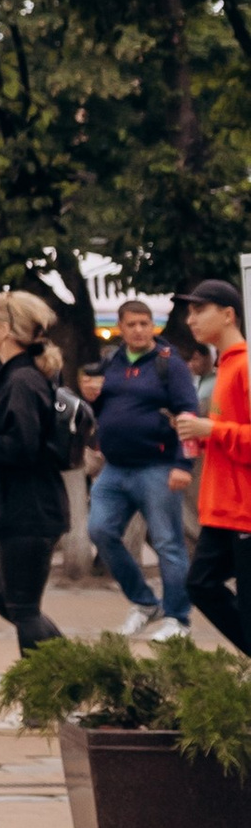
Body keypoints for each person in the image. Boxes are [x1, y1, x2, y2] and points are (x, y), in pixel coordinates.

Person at [0, 291, 73, 713]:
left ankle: (45, 700)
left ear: (7, 330)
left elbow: (25, 449)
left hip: (30, 509)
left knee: (23, 606)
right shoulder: (17, 375)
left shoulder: (24, 379)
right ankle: (70, 672)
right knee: (0, 597)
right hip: (17, 509)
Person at [85, 299, 194, 643]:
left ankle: (178, 619)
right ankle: (145, 603)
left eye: (145, 324)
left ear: (153, 327)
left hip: (157, 467)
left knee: (168, 544)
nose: (139, 330)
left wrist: (183, 464)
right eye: (132, 324)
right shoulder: (112, 361)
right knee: (100, 530)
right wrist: (92, 398)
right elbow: (106, 408)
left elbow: (188, 414)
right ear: (120, 327)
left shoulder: (169, 365)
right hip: (115, 468)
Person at [176, 279, 251, 652]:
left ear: (228, 314)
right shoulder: (226, 367)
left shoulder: (244, 366)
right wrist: (202, 436)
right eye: (190, 311)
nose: (191, 319)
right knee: (200, 584)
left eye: (199, 309)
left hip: (244, 511)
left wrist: (212, 429)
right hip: (222, 510)